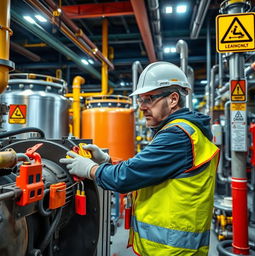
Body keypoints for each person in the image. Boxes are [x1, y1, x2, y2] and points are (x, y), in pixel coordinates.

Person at [60, 61, 220, 256]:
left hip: (172, 250)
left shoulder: (177, 135)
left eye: (149, 99)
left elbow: (125, 178)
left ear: (173, 99)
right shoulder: (179, 130)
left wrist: (90, 169)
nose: (142, 107)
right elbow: (148, 170)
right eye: (140, 100)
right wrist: (108, 162)